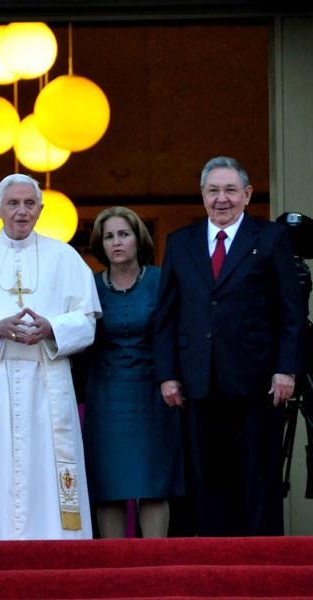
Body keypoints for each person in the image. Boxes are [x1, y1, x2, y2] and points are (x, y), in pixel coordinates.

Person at [0, 173, 102, 541]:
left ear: (41, 209)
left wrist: (52, 328)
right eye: (13, 203)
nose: (22, 211)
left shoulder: (65, 256)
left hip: (48, 377)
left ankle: (57, 544)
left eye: (29, 203)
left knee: (47, 467)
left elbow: (87, 322)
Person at [154, 156, 305, 536]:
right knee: (205, 477)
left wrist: (286, 369)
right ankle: (212, 562)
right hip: (197, 382)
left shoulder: (270, 238)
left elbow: (290, 311)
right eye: (213, 190)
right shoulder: (180, 242)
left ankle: (258, 563)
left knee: (256, 475)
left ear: (248, 194)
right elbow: (167, 315)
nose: (222, 199)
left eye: (230, 190)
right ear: (203, 195)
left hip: (257, 381)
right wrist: (168, 375)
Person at [82, 207, 184, 538]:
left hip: (154, 393)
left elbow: (180, 333)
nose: (117, 242)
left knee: (152, 482)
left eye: (123, 234)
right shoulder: (88, 285)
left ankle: (155, 568)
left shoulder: (160, 279)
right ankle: (114, 571)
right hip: (105, 396)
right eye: (109, 236)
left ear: (138, 239)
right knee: (108, 485)